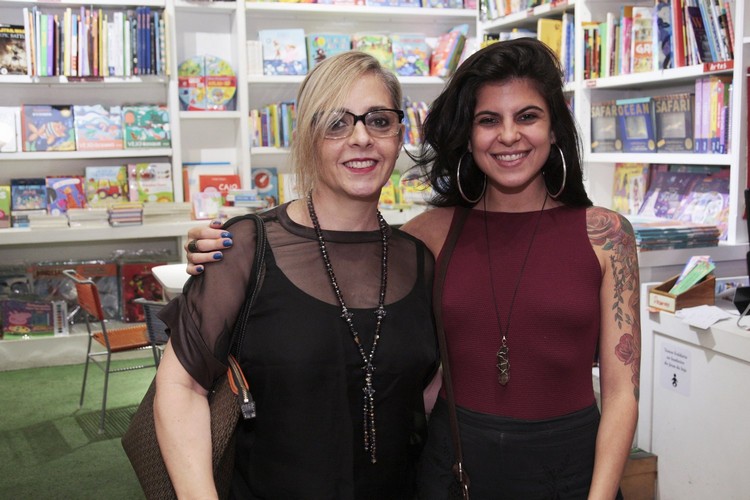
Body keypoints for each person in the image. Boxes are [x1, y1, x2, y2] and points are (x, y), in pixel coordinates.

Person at [186, 38, 640, 499]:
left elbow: (622, 394)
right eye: (488, 120)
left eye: (527, 116)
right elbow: (345, 259)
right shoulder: (429, 235)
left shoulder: (606, 236)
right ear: (468, 135)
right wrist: (225, 250)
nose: (508, 135)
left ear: (555, 127)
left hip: (570, 472)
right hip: (451, 471)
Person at [155, 50, 439, 499]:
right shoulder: (246, 247)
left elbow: (424, 394)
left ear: (400, 134)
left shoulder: (418, 261)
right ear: (308, 136)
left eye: (379, 120)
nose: (361, 138)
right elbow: (181, 384)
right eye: (336, 123)